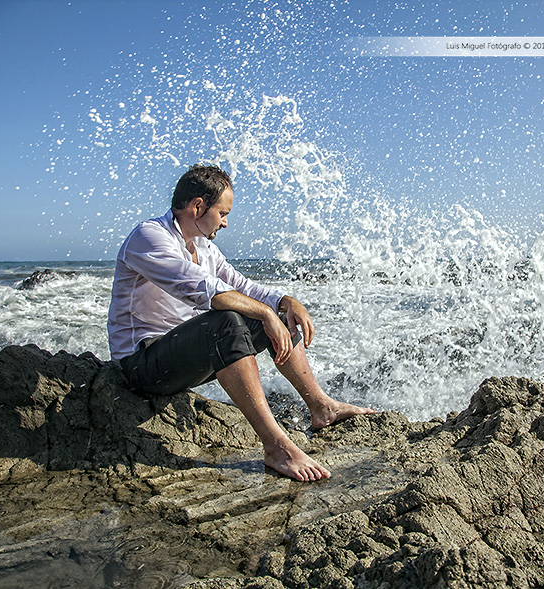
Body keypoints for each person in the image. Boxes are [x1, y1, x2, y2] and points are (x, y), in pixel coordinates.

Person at [108, 164, 372, 481]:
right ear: (197, 206)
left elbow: (243, 286)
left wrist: (284, 302)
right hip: (140, 365)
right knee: (228, 321)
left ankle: (321, 407)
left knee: (273, 318)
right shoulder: (149, 237)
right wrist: (264, 313)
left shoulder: (205, 248)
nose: (225, 222)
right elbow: (203, 290)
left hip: (181, 359)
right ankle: (277, 447)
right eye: (222, 213)